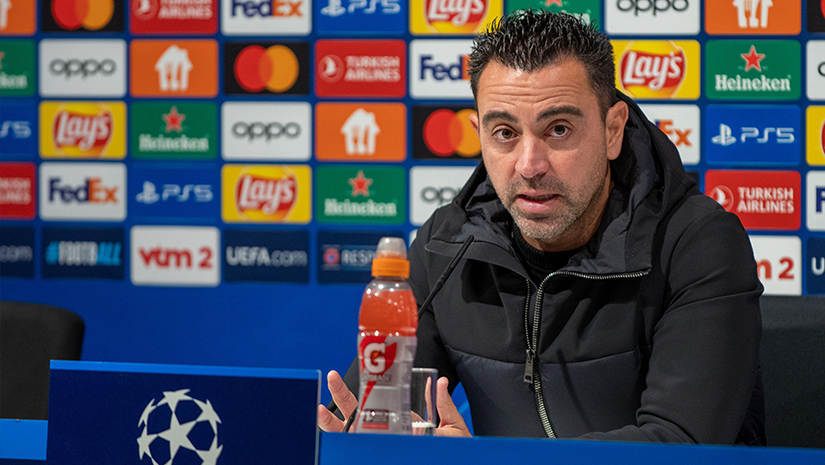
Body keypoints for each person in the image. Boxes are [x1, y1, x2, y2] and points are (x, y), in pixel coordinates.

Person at [317, 10, 765, 444]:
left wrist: (479, 464)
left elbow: (679, 445)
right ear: (480, 135)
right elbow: (378, 415)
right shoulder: (444, 249)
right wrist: (373, 443)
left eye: (559, 130)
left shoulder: (695, 244)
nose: (529, 165)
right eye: (505, 133)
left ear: (612, 130)